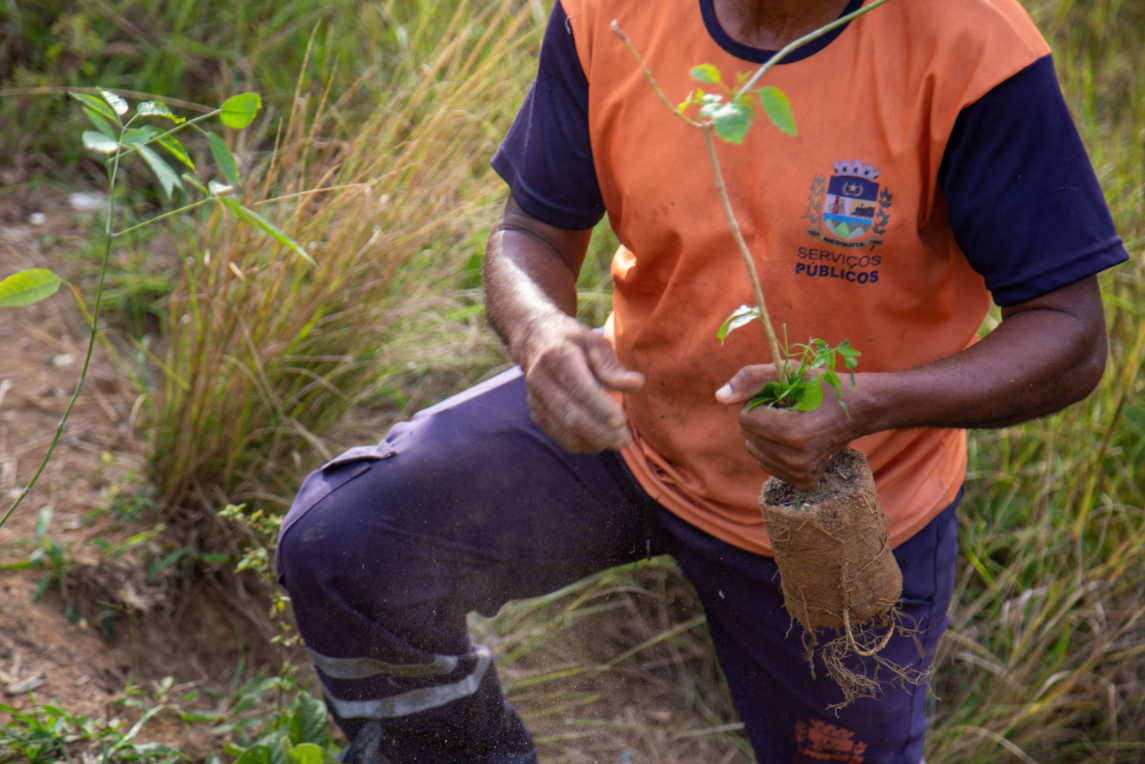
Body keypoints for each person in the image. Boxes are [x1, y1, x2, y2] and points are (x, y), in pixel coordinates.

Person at [276, 0, 1128, 761]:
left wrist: (866, 403)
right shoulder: (608, 16)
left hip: (837, 502)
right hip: (627, 428)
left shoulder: (971, 45)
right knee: (345, 545)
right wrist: (540, 334)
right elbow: (529, 228)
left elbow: (1068, 336)